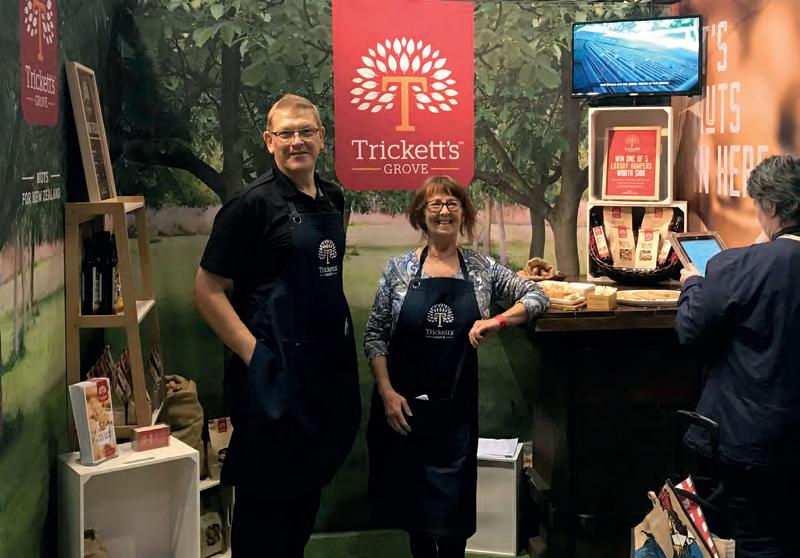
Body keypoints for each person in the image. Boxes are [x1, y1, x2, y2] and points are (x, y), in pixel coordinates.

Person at [193, 94, 360, 557]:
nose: (296, 141)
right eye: (286, 133)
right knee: (265, 519)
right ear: (269, 141)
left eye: (306, 132)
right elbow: (206, 291)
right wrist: (257, 357)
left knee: (302, 510)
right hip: (272, 382)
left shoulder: (333, 198)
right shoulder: (250, 206)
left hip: (322, 378)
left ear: (321, 138)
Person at [364, 176, 549, 558]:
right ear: (421, 214)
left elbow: (536, 295)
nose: (444, 211)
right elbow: (375, 335)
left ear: (464, 213)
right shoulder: (399, 270)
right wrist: (386, 392)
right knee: (416, 520)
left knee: (453, 525)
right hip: (406, 412)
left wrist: (498, 321)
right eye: (435, 204)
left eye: (452, 203)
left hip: (455, 416)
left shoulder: (482, 269)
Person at [676, 155, 800, 558]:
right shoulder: (760, 260)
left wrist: (693, 283)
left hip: (752, 444)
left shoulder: (738, 266)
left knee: (759, 542)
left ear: (770, 207)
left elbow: (691, 329)